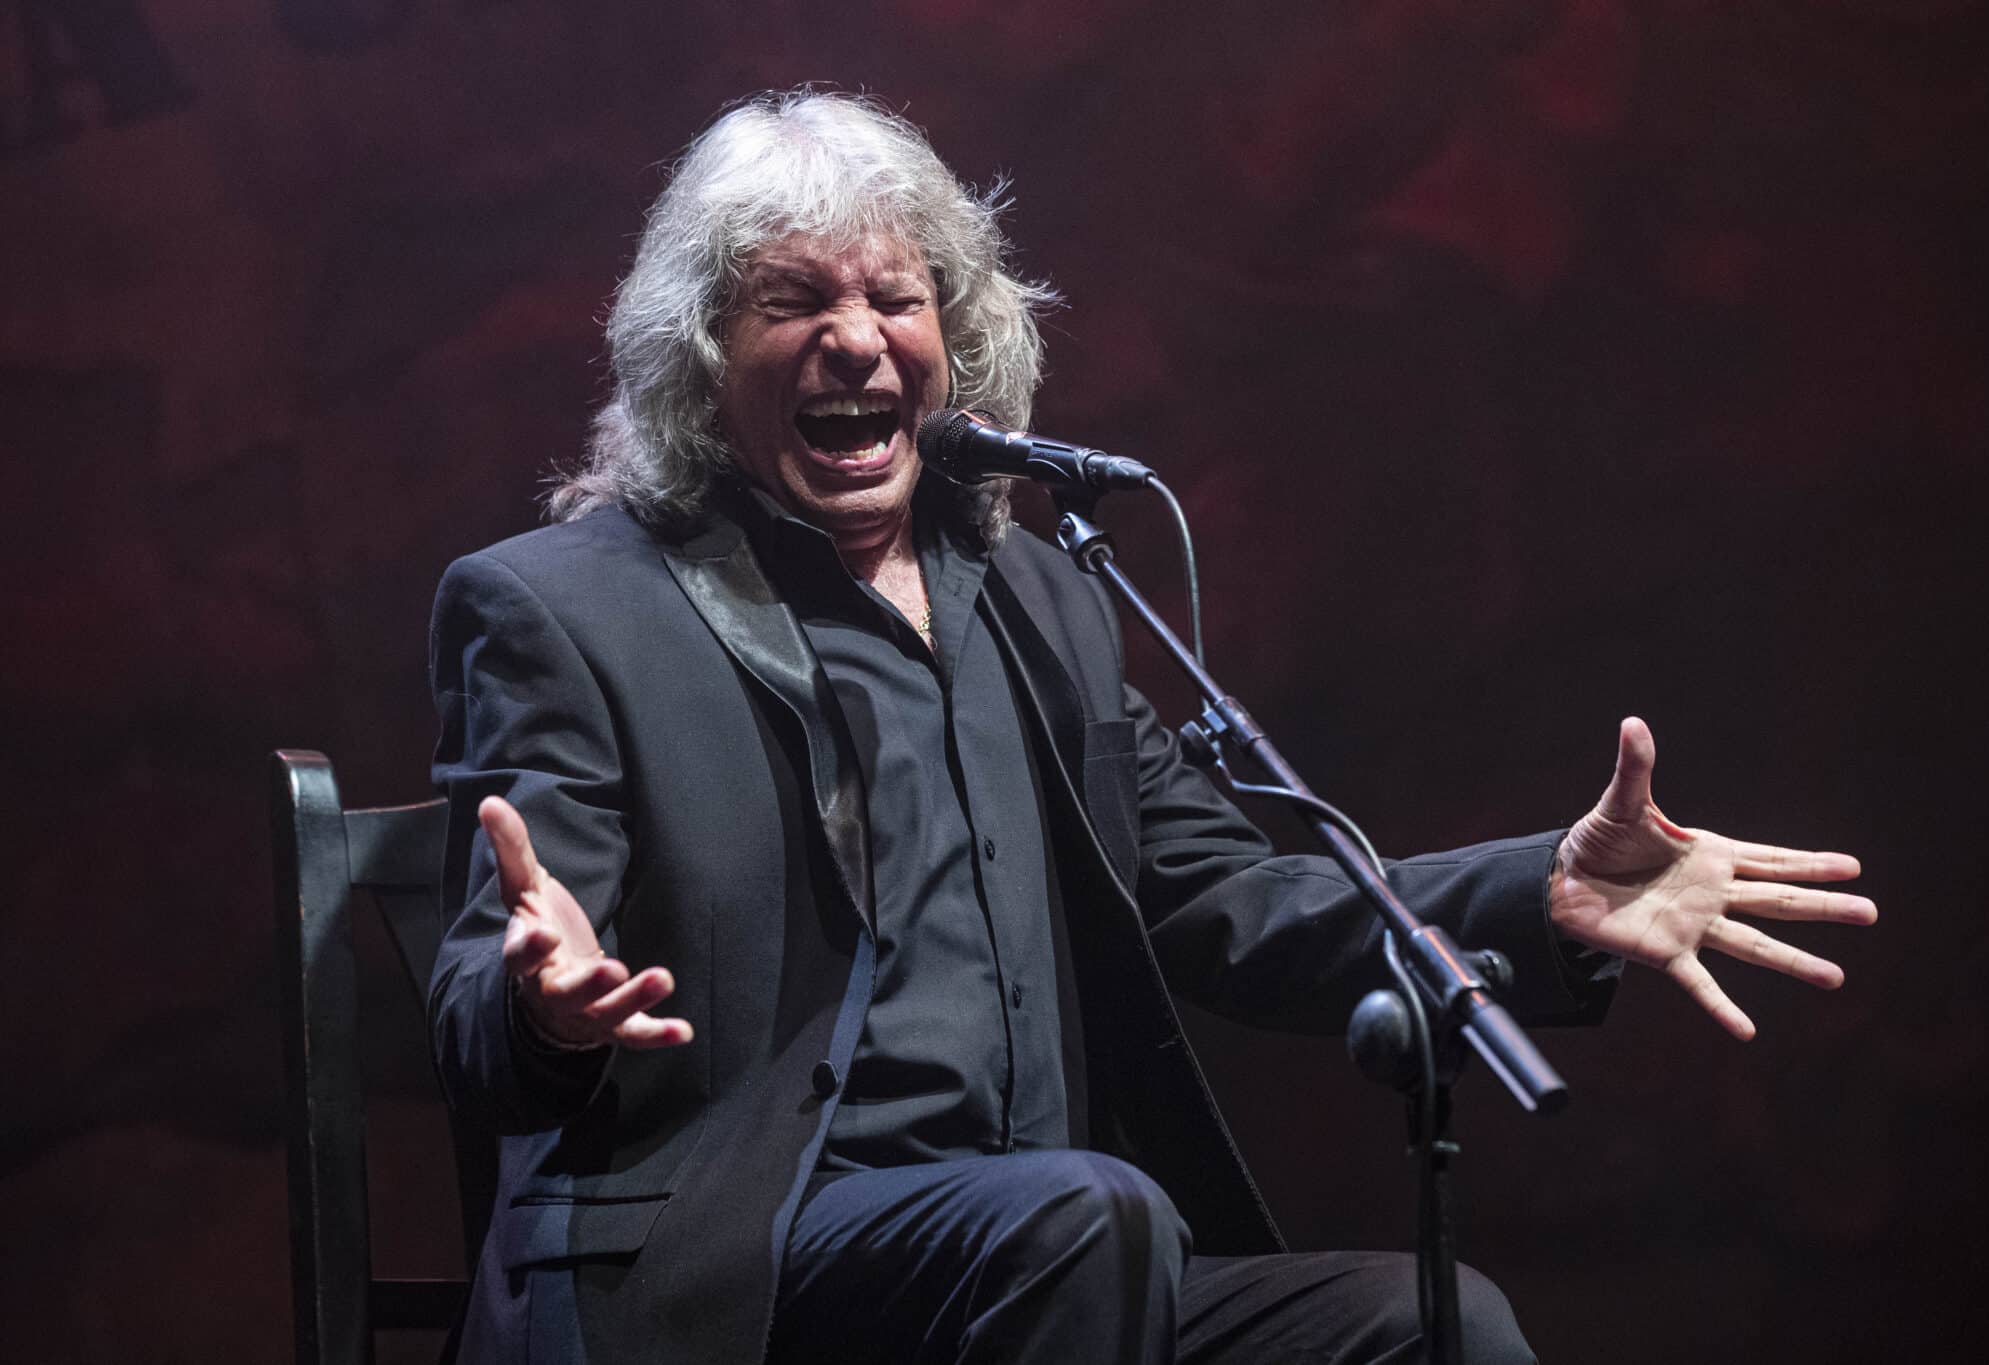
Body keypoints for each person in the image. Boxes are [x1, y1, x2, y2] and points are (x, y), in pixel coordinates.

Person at [427, 90, 1875, 1365]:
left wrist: (1545, 894)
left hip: (1056, 1260)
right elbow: (480, 988)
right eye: (791, 301)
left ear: (958, 337)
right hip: (741, 1273)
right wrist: (539, 1001)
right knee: (1088, 1213)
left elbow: (1239, 898)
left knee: (1436, 1325)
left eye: (898, 298)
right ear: (699, 356)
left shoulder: (1041, 600)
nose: (856, 341)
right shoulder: (566, 609)